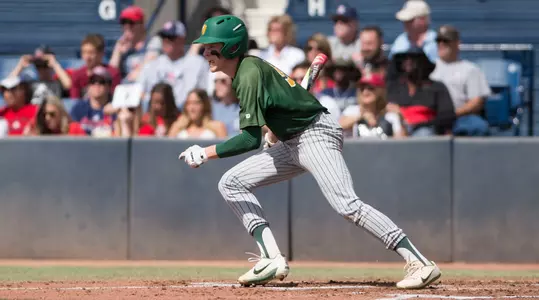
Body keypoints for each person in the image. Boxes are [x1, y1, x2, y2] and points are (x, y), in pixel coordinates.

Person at [178, 14, 441, 289]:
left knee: (346, 204)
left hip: (315, 134)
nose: (206, 51)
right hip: (293, 139)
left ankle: (419, 262)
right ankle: (271, 258)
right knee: (231, 183)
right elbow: (278, 113)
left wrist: (206, 153)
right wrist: (273, 130)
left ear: (231, 46)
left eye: (212, 46)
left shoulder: (248, 73)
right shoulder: (246, 72)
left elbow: (249, 140)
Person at [429, 25, 491, 136]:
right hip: (433, 118)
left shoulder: (470, 69)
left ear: (457, 43)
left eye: (445, 41)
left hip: (461, 118)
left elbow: (476, 102)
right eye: (438, 40)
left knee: (478, 126)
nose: (441, 44)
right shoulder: (428, 68)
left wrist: (452, 114)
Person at [137, 20, 209, 109]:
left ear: (182, 39)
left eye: (170, 38)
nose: (166, 41)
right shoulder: (152, 65)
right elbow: (139, 92)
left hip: (187, 113)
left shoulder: (198, 63)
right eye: (164, 38)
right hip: (157, 114)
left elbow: (206, 94)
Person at [387, 48, 455, 136]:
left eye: (413, 59)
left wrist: (420, 123)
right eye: (405, 59)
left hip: (427, 131)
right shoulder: (394, 88)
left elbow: (447, 116)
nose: (408, 62)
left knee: (423, 133)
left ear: (423, 62)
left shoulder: (436, 87)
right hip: (398, 130)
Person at [340, 73, 406, 139]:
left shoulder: (389, 115)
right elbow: (336, 128)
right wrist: (361, 116)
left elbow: (400, 142)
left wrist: (400, 118)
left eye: (370, 88)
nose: (365, 92)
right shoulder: (352, 111)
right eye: (362, 88)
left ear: (380, 91)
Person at [109, 5, 162, 81]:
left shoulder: (153, 41)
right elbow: (111, 74)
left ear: (141, 24)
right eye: (123, 23)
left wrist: (127, 80)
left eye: (131, 23)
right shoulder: (121, 44)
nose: (127, 26)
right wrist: (117, 51)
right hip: (125, 88)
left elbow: (148, 67)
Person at [70, 34, 121, 99]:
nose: (87, 57)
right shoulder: (77, 75)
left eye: (91, 53)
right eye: (84, 52)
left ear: (101, 53)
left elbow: (115, 99)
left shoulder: (113, 74)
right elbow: (74, 100)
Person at [70, 66, 116, 137]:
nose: (96, 85)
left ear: (109, 86)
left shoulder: (115, 109)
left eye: (101, 82)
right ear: (88, 86)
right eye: (92, 81)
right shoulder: (78, 108)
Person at [212, 71, 241, 136]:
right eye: (215, 81)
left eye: (223, 81)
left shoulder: (245, 106)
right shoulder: (209, 107)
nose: (218, 84)